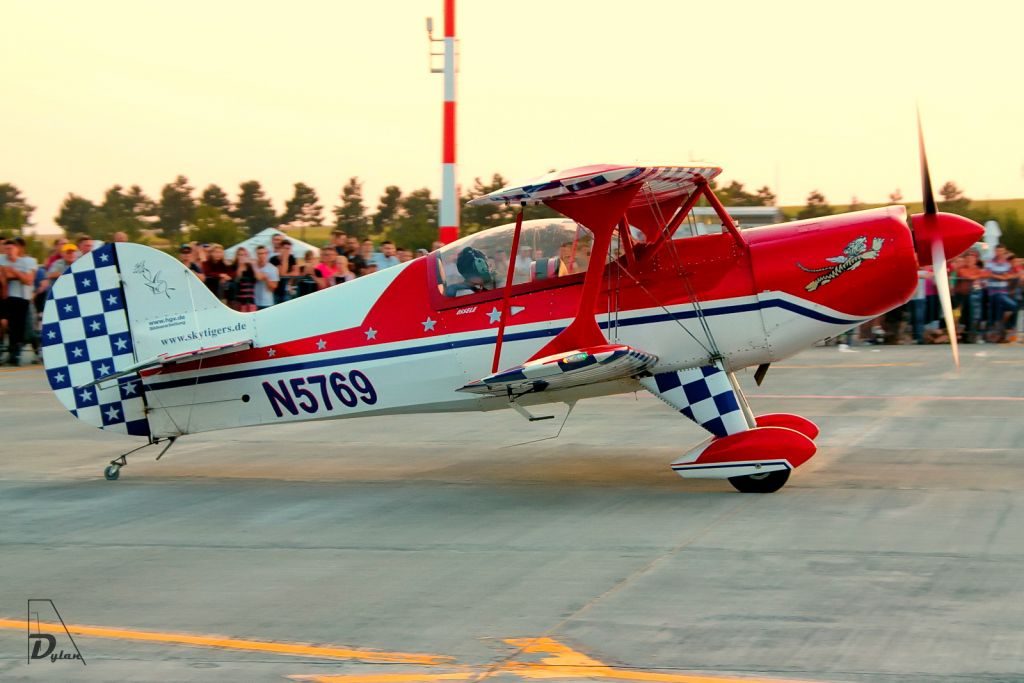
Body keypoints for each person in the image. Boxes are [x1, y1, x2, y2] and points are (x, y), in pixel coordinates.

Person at [0, 238, 38, 365]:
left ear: (18, 249)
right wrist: (12, 275)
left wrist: (14, 272)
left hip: (22, 299)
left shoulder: (26, 262)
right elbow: (3, 276)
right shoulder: (2, 260)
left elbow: (28, 280)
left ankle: (20, 352)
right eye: (6, 249)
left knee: (23, 328)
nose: (8, 251)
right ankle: (11, 351)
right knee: (7, 324)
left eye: (11, 248)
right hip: (7, 298)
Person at [985, 244, 1018, 341]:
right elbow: (988, 274)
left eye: (1001, 251)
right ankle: (1003, 329)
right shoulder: (990, 263)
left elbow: (1009, 276)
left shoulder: (1007, 264)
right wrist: (1002, 276)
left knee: (1012, 305)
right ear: (995, 251)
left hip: (1004, 292)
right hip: (993, 292)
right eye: (998, 251)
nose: (999, 253)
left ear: (1004, 252)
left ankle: (1005, 328)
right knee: (1001, 303)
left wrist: (996, 275)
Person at [252, 245, 279, 310]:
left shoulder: (273, 268)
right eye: (259, 253)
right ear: (256, 255)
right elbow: (257, 277)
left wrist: (266, 278)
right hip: (254, 301)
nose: (262, 255)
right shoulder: (253, 266)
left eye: (264, 253)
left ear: (267, 254)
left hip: (267, 303)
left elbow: (274, 287)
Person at [232, 247, 257, 312]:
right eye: (240, 255)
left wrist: (252, 264)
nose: (242, 257)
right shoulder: (233, 266)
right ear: (237, 256)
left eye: (244, 255)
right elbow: (236, 281)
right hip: (239, 301)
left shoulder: (250, 267)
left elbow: (255, 279)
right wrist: (240, 266)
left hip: (250, 299)